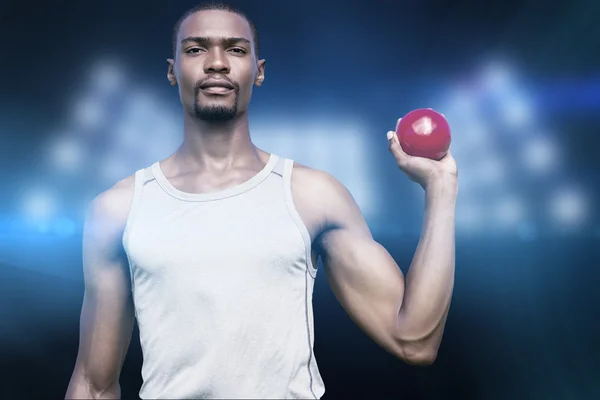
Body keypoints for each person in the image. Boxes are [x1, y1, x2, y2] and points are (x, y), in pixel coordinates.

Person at [65, 2, 458, 399]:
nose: (216, 62)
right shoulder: (118, 209)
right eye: (196, 49)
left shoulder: (312, 195)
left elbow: (414, 340)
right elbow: (94, 385)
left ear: (259, 70)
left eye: (236, 50)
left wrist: (441, 191)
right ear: (172, 71)